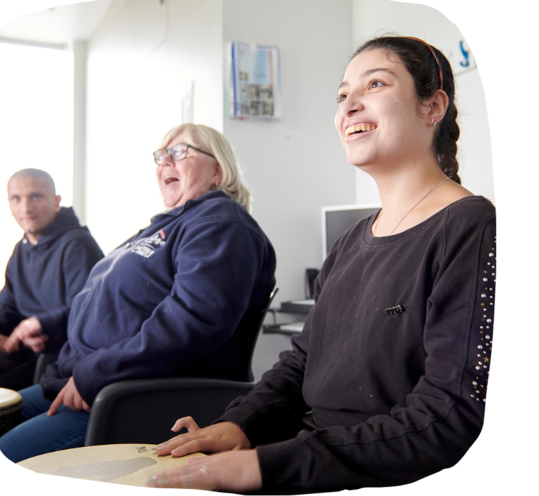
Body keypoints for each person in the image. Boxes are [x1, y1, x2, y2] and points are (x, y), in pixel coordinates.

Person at [147, 36, 497, 492]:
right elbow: (302, 361)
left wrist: (266, 465)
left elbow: (451, 417)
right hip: (310, 458)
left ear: (433, 108)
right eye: (342, 94)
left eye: (374, 84)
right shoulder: (353, 240)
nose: (349, 104)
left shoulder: (473, 230)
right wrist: (242, 424)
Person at [0, 124, 276, 464]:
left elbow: (192, 320)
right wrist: (49, 324)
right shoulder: (165, 226)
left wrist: (93, 373)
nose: (165, 163)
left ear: (218, 170)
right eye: (161, 156)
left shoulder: (222, 224)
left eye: (180, 152)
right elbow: (102, 300)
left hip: (129, 396)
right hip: (79, 383)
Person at [0, 169, 104, 391]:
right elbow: (9, 309)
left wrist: (36, 328)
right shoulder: (20, 250)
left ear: (56, 201)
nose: (26, 207)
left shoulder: (77, 244)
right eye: (17, 199)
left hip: (58, 357)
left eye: (36, 196)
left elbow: (85, 314)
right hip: (23, 350)